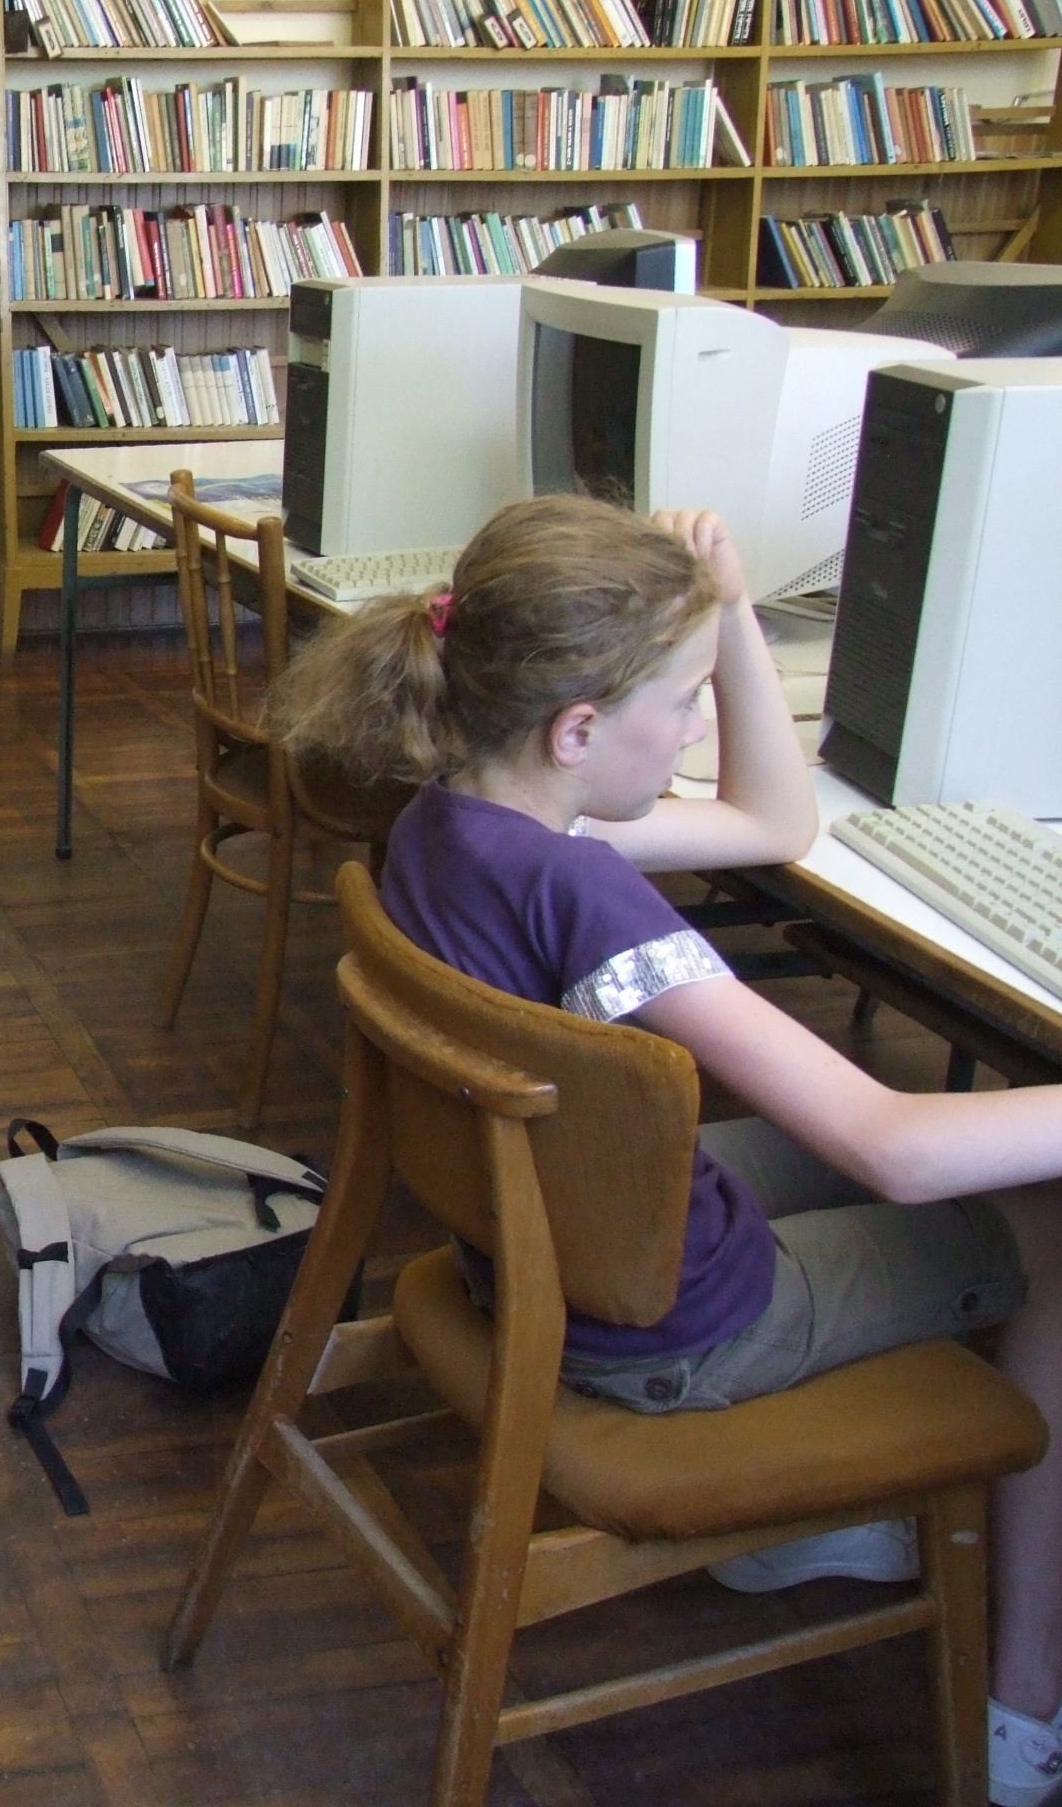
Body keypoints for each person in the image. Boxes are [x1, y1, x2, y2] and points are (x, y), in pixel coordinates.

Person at [273, 494, 1062, 1806]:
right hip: (670, 1331)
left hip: (558, 1248)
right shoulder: (582, 884)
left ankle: (797, 1529)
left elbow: (774, 827)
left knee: (933, 1147)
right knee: (1042, 1215)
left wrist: (727, 611)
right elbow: (896, 1148)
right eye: (686, 703)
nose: (699, 730)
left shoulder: (457, 816)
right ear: (579, 730)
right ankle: (1024, 1701)